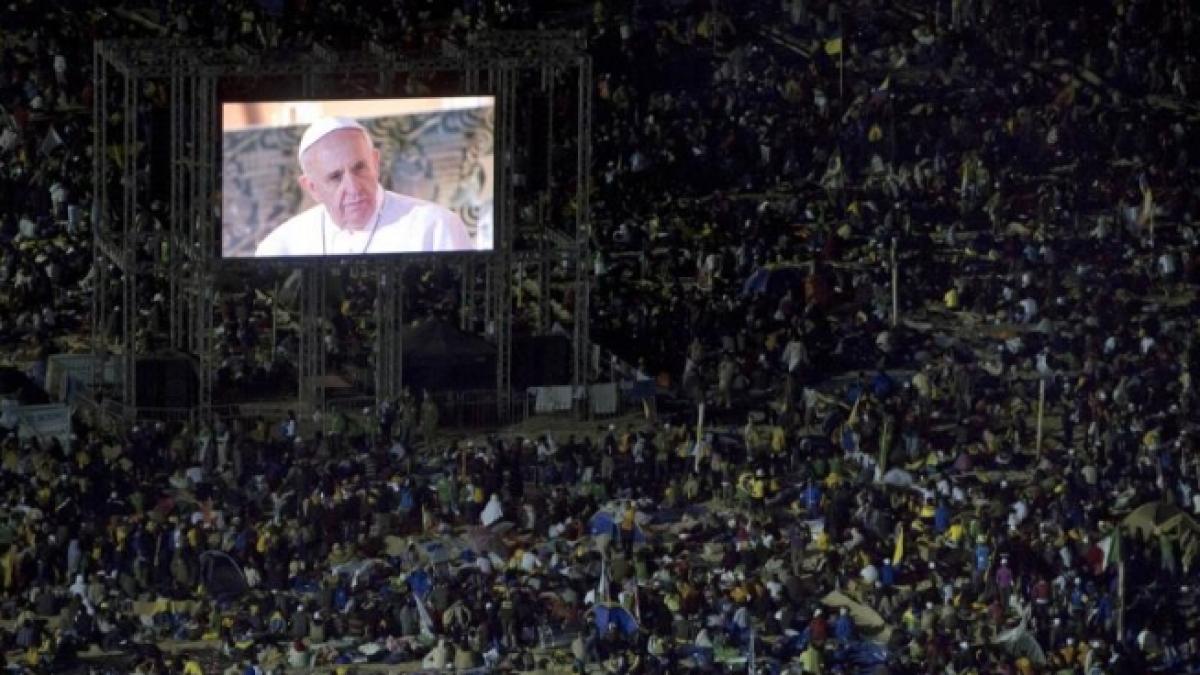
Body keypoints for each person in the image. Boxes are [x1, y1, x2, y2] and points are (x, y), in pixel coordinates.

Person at [254, 116, 473, 256]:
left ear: (375, 163)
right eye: (335, 177)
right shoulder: (279, 248)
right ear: (312, 187)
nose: (353, 187)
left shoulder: (435, 227)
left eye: (359, 168)